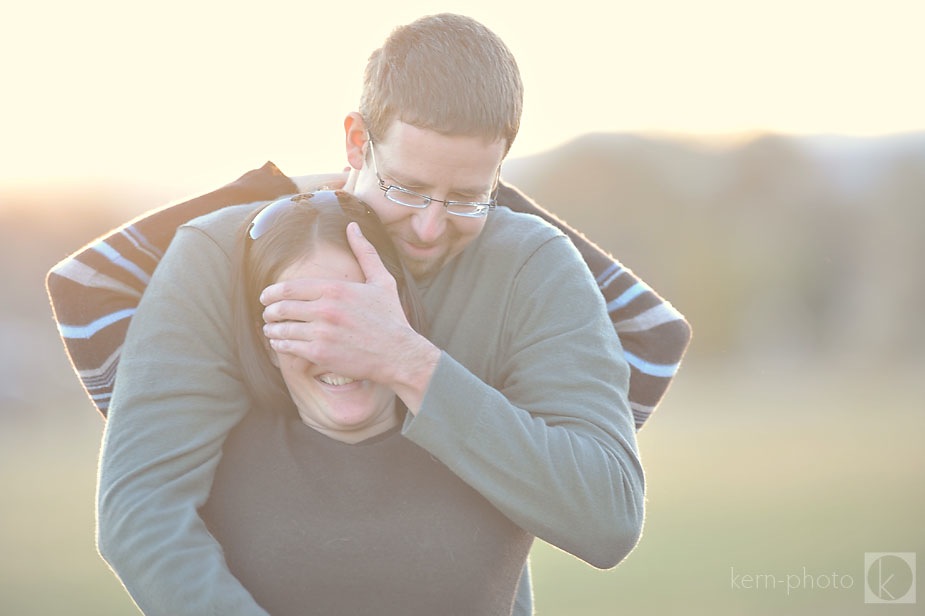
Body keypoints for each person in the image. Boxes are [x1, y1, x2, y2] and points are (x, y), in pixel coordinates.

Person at [46, 13, 691, 615]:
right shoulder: (220, 255)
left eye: (468, 197)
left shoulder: (534, 268)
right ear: (357, 142)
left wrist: (407, 360)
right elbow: (141, 512)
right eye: (406, 189)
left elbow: (607, 520)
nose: (431, 228)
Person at [199, 189, 534, 614]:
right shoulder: (207, 461)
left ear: (403, 314)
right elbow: (94, 283)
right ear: (264, 341)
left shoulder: (489, 439)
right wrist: (310, 185)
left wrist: (475, 190)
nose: (333, 345)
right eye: (302, 319)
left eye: (359, 313)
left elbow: (640, 330)